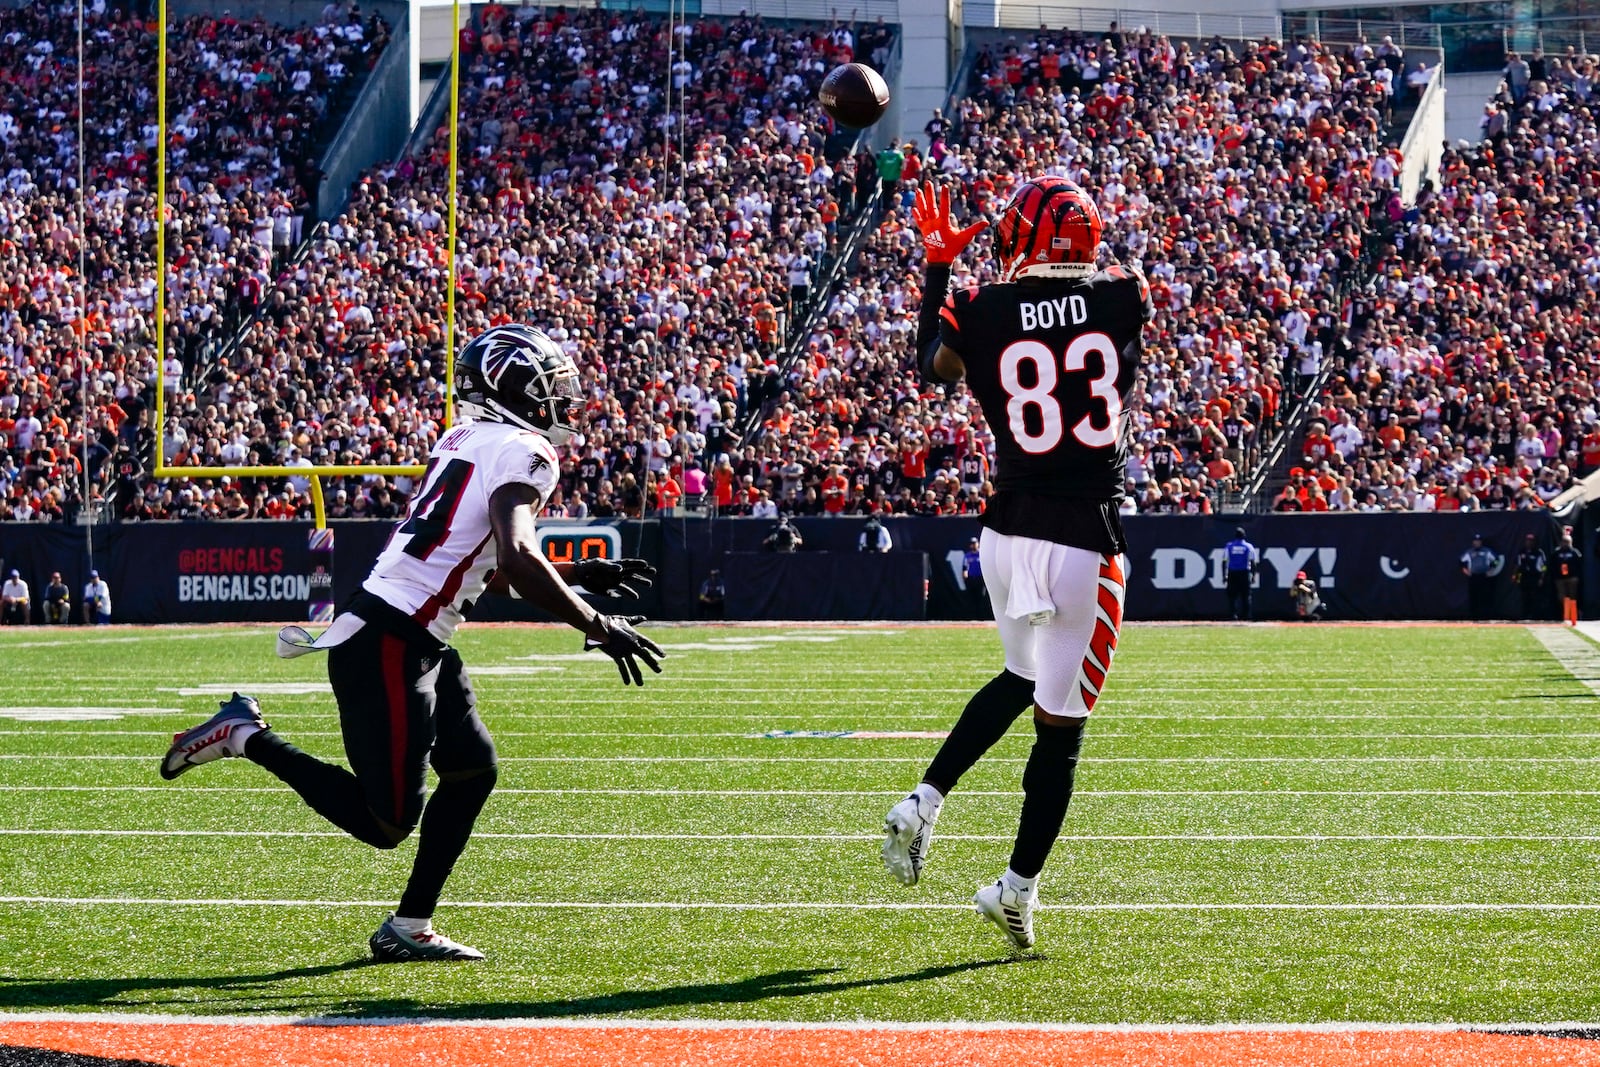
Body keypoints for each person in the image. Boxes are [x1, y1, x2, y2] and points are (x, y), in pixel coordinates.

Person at [159, 324, 664, 962]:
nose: (565, 398)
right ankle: (244, 736)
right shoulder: (528, 451)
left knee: (473, 770)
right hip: (392, 639)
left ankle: (408, 926)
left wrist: (573, 577)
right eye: (552, 386)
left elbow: (478, 563)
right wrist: (596, 621)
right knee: (387, 821)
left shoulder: (468, 437)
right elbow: (515, 551)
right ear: (518, 389)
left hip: (408, 632)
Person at [882, 178, 1148, 949]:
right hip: (1085, 541)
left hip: (1005, 534)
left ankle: (925, 800)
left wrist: (938, 265)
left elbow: (930, 366)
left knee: (1017, 675)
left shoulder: (982, 305)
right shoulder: (1126, 294)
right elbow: (1101, 281)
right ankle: (1016, 891)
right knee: (1060, 731)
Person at [1460, 532, 1504, 621]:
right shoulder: (1469, 552)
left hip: (1484, 577)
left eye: (1479, 541)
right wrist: (1465, 570)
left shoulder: (1487, 551)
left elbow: (1496, 560)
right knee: (1473, 597)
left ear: (1481, 542)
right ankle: (1473, 617)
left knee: (1485, 597)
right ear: (1473, 542)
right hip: (1473, 577)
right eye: (1475, 541)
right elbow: (1461, 562)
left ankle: (1485, 616)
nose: (1477, 543)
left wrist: (1491, 569)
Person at [1223, 526, 1258, 621]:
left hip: (1232, 573)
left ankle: (1233, 615)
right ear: (1244, 536)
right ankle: (1247, 615)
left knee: (1232, 596)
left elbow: (1224, 561)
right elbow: (1253, 562)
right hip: (1244, 573)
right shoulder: (1248, 547)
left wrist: (1224, 576)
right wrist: (1253, 575)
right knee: (1246, 595)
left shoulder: (1229, 546)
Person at [1512, 532, 1547, 620]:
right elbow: (1517, 565)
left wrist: (1542, 578)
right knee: (1524, 597)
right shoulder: (1522, 551)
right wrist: (1514, 576)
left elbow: (1544, 566)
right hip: (1524, 577)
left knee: (1534, 597)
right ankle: (1524, 615)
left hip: (1534, 577)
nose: (1529, 542)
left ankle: (1534, 616)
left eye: (1531, 541)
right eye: (1527, 540)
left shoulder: (1539, 552)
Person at [1554, 527, 1583, 625]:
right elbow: (1552, 564)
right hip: (1560, 578)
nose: (1565, 543)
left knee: (1572, 596)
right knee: (1561, 596)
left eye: (1567, 542)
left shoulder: (1574, 552)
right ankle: (1564, 614)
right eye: (1564, 541)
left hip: (1572, 577)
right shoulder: (1557, 552)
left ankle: (1573, 615)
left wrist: (1577, 575)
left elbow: (1580, 564)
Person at [962, 536, 985, 604]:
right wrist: (966, 580)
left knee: (981, 598)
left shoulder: (982, 554)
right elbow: (964, 568)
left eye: (975, 543)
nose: (973, 545)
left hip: (980, 579)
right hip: (971, 579)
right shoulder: (967, 555)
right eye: (972, 543)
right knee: (971, 599)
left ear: (978, 544)